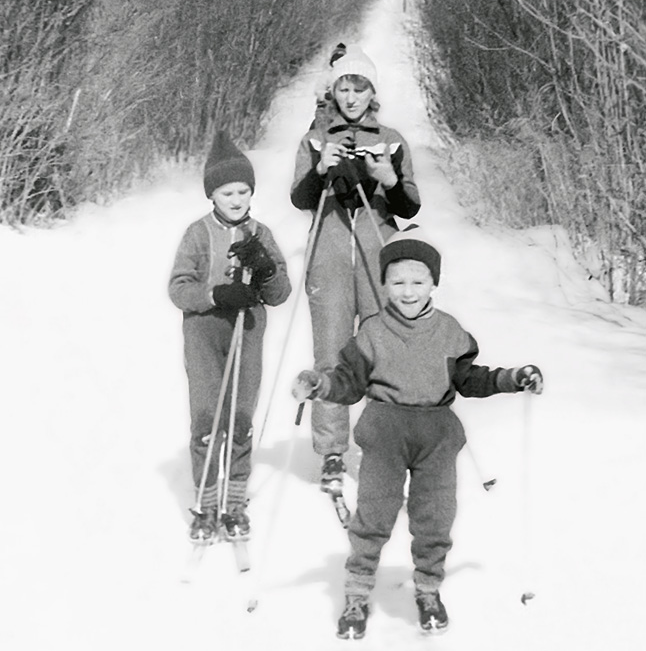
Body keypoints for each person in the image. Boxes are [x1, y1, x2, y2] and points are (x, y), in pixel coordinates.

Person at [292, 225, 544, 639]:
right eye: (397, 282)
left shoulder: (449, 331)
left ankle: (428, 589)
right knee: (373, 516)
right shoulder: (371, 331)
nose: (408, 291)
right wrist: (319, 385)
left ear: (433, 283)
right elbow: (349, 382)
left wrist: (513, 378)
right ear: (384, 284)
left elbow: (470, 378)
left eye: (417, 281)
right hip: (386, 433)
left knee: (435, 519)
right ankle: (356, 592)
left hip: (436, 437)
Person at [290, 44, 421, 496]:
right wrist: (321, 172)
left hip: (377, 256)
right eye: (343, 87)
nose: (350, 96)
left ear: (371, 92)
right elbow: (300, 199)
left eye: (359, 87)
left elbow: (409, 204)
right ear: (333, 90)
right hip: (328, 256)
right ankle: (331, 450)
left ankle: (382, 444)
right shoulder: (313, 138)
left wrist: (386, 180)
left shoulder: (391, 138)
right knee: (331, 352)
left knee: (383, 351)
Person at [169, 131, 292, 542]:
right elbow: (178, 288)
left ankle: (234, 504)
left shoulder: (261, 233)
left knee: (240, 418)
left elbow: (280, 294)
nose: (236, 199)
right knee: (207, 418)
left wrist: (266, 268)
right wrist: (214, 293)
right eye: (226, 192)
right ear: (212, 195)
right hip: (205, 335)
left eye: (242, 190)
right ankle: (205, 505)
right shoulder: (197, 233)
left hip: (248, 331)